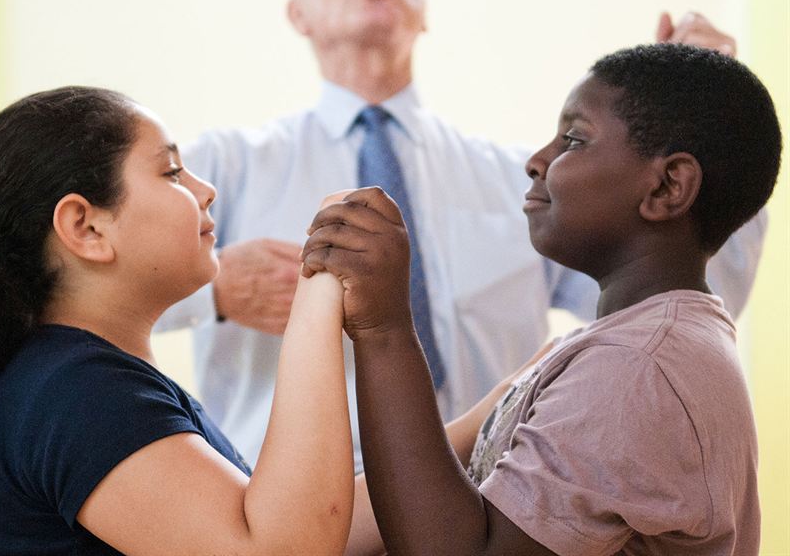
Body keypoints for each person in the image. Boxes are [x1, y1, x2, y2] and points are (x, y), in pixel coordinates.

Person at [158, 0, 766, 470]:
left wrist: (709, 129)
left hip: (489, 513)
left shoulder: (529, 182)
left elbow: (686, 295)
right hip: (291, 526)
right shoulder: (220, 170)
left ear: (425, 8)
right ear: (298, 13)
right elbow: (79, 291)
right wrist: (213, 290)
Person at [0, 87, 355, 556]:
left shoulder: (79, 381)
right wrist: (318, 291)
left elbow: (304, 526)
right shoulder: (81, 394)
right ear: (86, 227)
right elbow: (285, 548)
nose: (205, 189)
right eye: (172, 172)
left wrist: (440, 444)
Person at [303, 43, 780, 554]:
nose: (536, 161)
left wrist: (385, 330)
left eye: (573, 139)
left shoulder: (635, 367)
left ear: (667, 187)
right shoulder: (646, 345)